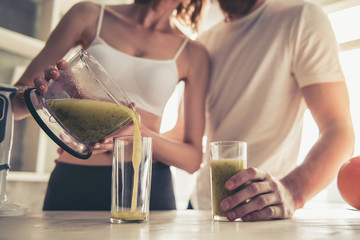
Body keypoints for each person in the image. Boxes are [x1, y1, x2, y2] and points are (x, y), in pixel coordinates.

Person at [12, 0, 209, 211]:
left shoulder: (193, 53)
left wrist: (138, 132)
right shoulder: (88, 14)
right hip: (75, 178)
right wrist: (46, 95)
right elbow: (14, 106)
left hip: (147, 185)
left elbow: (192, 160)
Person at [189, 0, 355, 221]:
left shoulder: (301, 18)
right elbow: (186, 136)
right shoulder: (204, 43)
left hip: (261, 213)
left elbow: (339, 130)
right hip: (199, 209)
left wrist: (291, 192)